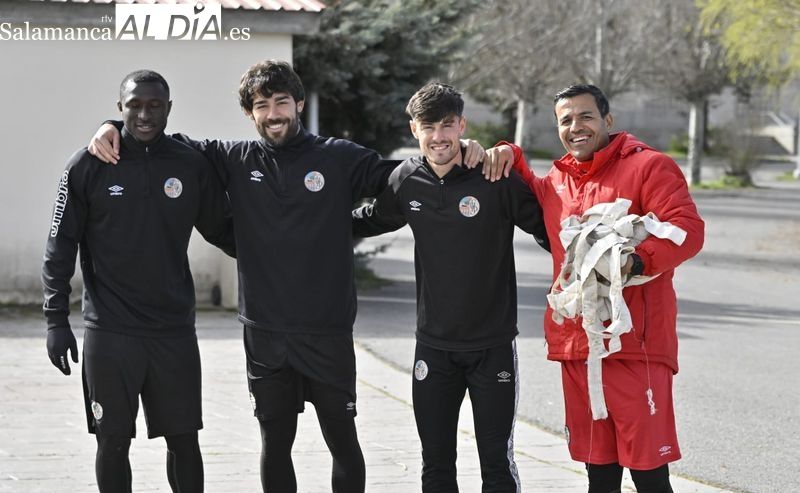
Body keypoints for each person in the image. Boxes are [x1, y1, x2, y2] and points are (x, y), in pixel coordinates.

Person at [86, 61, 490, 493]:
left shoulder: (337, 157)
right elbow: (157, 139)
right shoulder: (232, 158)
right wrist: (111, 125)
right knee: (275, 443)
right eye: (262, 105)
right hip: (265, 335)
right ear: (250, 113)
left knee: (342, 441)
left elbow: (403, 179)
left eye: (282, 102)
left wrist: (466, 151)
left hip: (326, 331)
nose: (274, 113)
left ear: (298, 103)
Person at [489, 84, 704, 493]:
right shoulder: (557, 180)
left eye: (585, 116)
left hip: (634, 345)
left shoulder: (649, 166)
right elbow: (529, 191)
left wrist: (634, 260)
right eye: (565, 120)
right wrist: (509, 152)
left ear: (608, 120)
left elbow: (688, 231)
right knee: (598, 473)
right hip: (578, 347)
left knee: (648, 475)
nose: (576, 127)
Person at [42, 70, 236, 493]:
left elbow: (223, 232)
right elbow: (60, 247)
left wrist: (287, 249)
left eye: (155, 105)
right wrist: (55, 320)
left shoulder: (189, 164)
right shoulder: (88, 165)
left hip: (173, 331)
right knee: (112, 442)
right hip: (110, 333)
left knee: (184, 441)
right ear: (119, 109)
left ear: (169, 109)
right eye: (134, 105)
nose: (144, 114)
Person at [352, 82, 549, 492]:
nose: (438, 136)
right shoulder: (406, 180)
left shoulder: (495, 176)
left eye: (447, 125)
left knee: (496, 464)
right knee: (436, 465)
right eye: (429, 126)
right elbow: (368, 219)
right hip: (434, 349)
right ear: (414, 130)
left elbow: (550, 229)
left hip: (491, 346)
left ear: (462, 125)